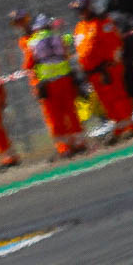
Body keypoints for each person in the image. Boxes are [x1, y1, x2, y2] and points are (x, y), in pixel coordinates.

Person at [72, 0, 133, 141]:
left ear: (89, 7)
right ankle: (119, 127)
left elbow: (116, 43)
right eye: (78, 10)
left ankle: (129, 126)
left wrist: (111, 64)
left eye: (82, 9)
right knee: (106, 101)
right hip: (92, 72)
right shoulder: (80, 27)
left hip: (107, 69)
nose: (81, 12)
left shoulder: (102, 22)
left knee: (118, 97)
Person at [24, 12, 85, 157]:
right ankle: (79, 143)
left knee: (55, 116)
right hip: (65, 79)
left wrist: (37, 84)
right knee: (70, 112)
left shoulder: (32, 42)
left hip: (48, 83)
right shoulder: (59, 37)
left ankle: (64, 147)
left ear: (37, 27)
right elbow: (67, 53)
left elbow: (29, 64)